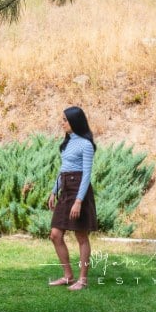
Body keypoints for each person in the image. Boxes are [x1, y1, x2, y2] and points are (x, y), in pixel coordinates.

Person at [47, 106, 98, 291]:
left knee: (81, 235)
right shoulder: (67, 143)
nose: (62, 123)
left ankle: (83, 280)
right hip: (65, 188)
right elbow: (63, 169)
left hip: (79, 190)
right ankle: (68, 276)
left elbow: (86, 174)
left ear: (75, 121)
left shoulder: (86, 144)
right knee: (55, 234)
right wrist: (54, 191)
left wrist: (79, 200)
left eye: (65, 120)